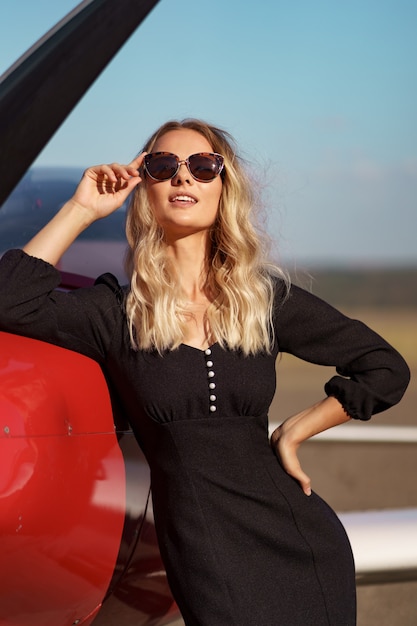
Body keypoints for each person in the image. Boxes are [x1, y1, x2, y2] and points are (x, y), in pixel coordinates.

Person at [0, 119, 410, 626]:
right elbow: (11, 299)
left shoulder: (262, 300)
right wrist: (82, 208)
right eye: (162, 166)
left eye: (202, 166)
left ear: (224, 187)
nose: (183, 178)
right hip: (205, 559)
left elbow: (385, 367)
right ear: (144, 187)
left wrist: (294, 431)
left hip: (302, 547)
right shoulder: (115, 312)